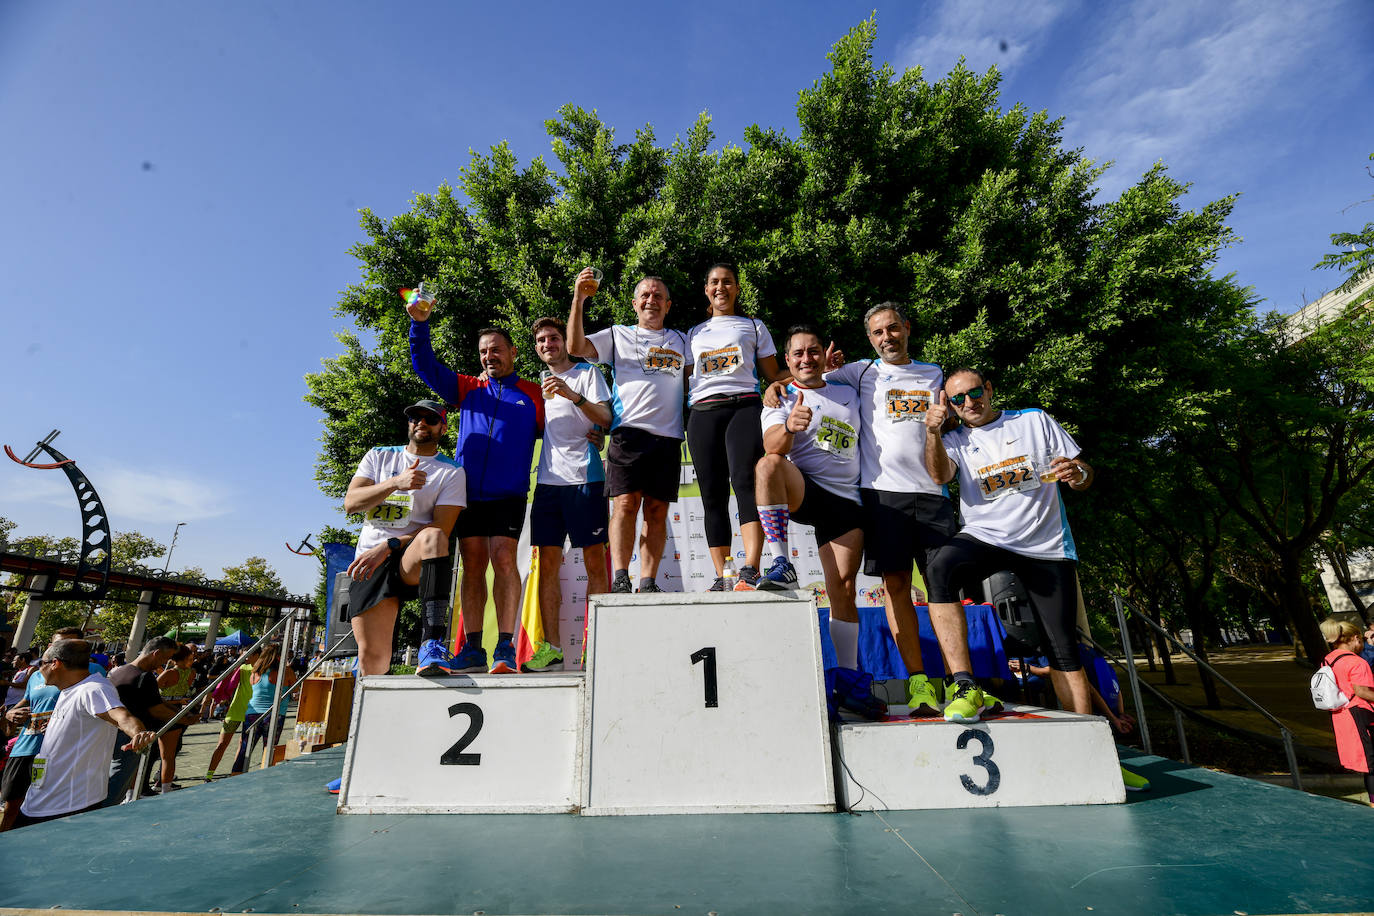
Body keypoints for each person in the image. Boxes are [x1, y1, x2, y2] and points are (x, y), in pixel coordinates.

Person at [923, 369, 1147, 790]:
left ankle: (1094, 758)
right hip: (986, 538)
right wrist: (933, 433)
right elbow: (938, 477)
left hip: (1045, 546)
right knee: (940, 568)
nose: (968, 403)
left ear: (989, 389)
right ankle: (965, 685)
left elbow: (1082, 472)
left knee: (1063, 648)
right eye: (957, 400)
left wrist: (1078, 474)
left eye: (974, 393)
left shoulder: (1033, 420)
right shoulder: (954, 439)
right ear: (949, 405)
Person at [790, 303, 953, 716]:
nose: (887, 338)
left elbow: (958, 422)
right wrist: (775, 386)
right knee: (896, 587)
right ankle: (918, 686)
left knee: (944, 592)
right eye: (878, 333)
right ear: (870, 339)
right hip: (882, 495)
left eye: (892, 329)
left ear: (907, 329)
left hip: (934, 495)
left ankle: (963, 684)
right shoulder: (860, 371)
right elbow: (804, 374)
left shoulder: (936, 373)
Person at [754, 325, 882, 719]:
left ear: (825, 356)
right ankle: (781, 562)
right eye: (798, 354)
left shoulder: (849, 386)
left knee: (842, 587)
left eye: (813, 351)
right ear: (787, 361)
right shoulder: (780, 397)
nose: (806, 359)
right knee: (768, 465)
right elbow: (772, 447)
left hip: (847, 501)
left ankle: (850, 679)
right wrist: (790, 427)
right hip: (805, 489)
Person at [410, 310, 544, 673]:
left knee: (503, 558)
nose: (489, 356)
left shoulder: (533, 394)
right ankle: (472, 648)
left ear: (513, 352)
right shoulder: (468, 388)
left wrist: (593, 433)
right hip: (465, 494)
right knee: (472, 565)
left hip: (509, 494)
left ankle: (504, 646)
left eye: (496, 350)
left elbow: (562, 430)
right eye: (484, 351)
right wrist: (419, 324)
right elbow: (425, 365)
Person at [567, 270, 688, 594]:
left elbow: (699, 376)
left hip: (668, 437)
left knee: (657, 511)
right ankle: (621, 577)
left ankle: (648, 581)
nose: (652, 300)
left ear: (668, 304)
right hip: (628, 433)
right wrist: (579, 298)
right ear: (635, 303)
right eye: (645, 295)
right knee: (624, 506)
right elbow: (576, 346)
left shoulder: (681, 339)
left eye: (658, 295)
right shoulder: (618, 334)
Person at [344, 400, 466, 677]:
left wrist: (391, 545)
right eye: (415, 417)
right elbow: (351, 503)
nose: (421, 422)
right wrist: (394, 483)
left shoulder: (452, 471)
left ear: (443, 428)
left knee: (434, 537)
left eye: (430, 419)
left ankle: (431, 643)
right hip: (371, 559)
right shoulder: (379, 456)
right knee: (373, 661)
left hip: (411, 555)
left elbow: (442, 527)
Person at [686, 264, 785, 591]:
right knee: (711, 495)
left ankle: (750, 568)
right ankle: (723, 575)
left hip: (744, 407)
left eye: (727, 282)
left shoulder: (754, 326)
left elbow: (774, 374)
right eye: (714, 282)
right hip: (703, 413)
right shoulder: (694, 333)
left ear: (737, 288)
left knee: (745, 483)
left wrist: (820, 371)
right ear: (706, 289)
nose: (720, 288)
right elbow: (681, 380)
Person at [527, 316, 613, 671]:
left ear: (564, 341)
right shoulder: (535, 386)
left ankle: (600, 643)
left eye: (554, 338)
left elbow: (606, 419)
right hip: (547, 485)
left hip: (585, 479)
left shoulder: (588, 373)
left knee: (595, 563)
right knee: (547, 567)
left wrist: (571, 394)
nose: (549, 344)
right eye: (542, 341)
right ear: (536, 348)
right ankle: (551, 648)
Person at [14, 639, 154, 829]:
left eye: (41, 664)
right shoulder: (70, 689)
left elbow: (122, 716)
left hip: (67, 806)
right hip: (41, 800)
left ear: (55, 663)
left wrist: (138, 733)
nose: (38, 670)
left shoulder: (94, 688)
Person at [0, 628, 106, 830]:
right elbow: (25, 701)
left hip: (60, 754)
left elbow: (104, 707)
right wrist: (10, 714)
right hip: (26, 746)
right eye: (59, 645)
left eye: (70, 645)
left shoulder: (93, 673)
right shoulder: (38, 674)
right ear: (50, 647)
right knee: (12, 806)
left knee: (50, 812)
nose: (63, 650)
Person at [104, 637, 180, 805]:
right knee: (119, 778)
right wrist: (183, 718)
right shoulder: (145, 677)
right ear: (156, 653)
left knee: (112, 775)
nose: (165, 663)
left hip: (111, 730)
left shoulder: (115, 671)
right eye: (165, 658)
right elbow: (156, 709)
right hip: (132, 734)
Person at [1318, 617, 1374, 807]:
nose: (1362, 645)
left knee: (1369, 765)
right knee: (1372, 763)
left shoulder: (1329, 658)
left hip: (1342, 715)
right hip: (1362, 715)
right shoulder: (1357, 662)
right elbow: (1362, 691)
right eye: (1362, 641)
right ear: (1355, 638)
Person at [230, 644, 297, 774]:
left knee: (245, 749)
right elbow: (295, 690)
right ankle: (265, 775)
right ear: (279, 656)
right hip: (274, 715)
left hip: (252, 713)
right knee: (269, 749)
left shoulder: (255, 671)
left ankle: (235, 776)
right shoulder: (286, 671)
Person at [204, 647, 259, 780]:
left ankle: (235, 774)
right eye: (243, 656)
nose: (245, 658)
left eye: (249, 655)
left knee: (243, 745)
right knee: (222, 744)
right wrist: (219, 697)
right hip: (235, 710)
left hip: (253, 712)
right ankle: (209, 775)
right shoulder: (241, 668)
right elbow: (228, 681)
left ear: (257, 655)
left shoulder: (263, 670)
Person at [152, 644, 198, 793]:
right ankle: (165, 785)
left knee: (161, 755)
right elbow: (184, 694)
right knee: (170, 755)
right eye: (190, 659)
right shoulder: (191, 673)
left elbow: (154, 693)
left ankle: (160, 784)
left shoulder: (169, 674)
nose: (192, 661)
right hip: (179, 712)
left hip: (162, 712)